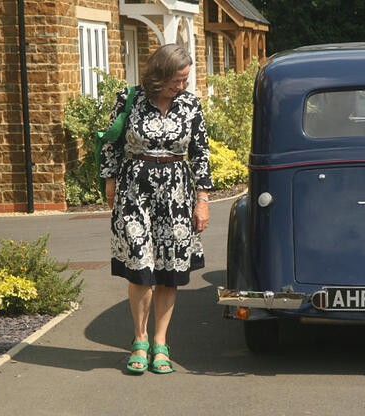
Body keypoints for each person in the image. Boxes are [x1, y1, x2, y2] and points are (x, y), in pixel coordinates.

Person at [99, 44, 212, 374]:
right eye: (177, 79)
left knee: (168, 273)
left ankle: (160, 343)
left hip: (177, 194)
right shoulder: (129, 98)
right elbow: (110, 143)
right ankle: (139, 339)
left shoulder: (191, 105)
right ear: (159, 75)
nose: (182, 86)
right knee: (140, 267)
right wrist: (109, 182)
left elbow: (201, 154)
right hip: (134, 191)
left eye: (186, 79)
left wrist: (202, 201)